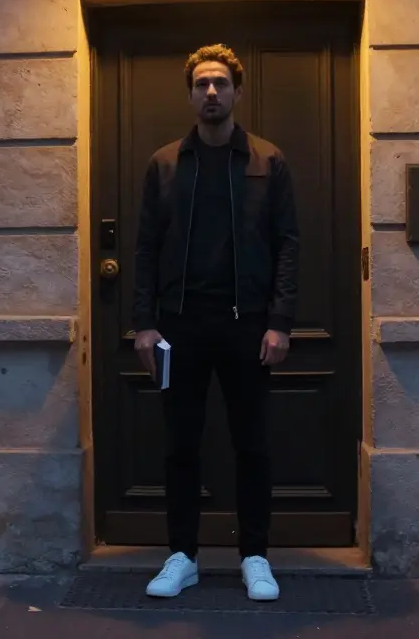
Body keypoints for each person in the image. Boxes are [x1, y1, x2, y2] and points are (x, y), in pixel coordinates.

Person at [131, 44, 299, 602]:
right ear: (189, 93)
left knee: (252, 445)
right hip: (179, 328)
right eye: (201, 83)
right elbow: (145, 250)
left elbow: (287, 247)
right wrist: (144, 323)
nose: (211, 92)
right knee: (181, 446)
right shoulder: (164, 164)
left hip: (247, 327)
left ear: (237, 92)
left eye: (220, 83)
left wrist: (279, 321)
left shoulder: (267, 161)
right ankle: (183, 555)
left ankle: (255, 555)